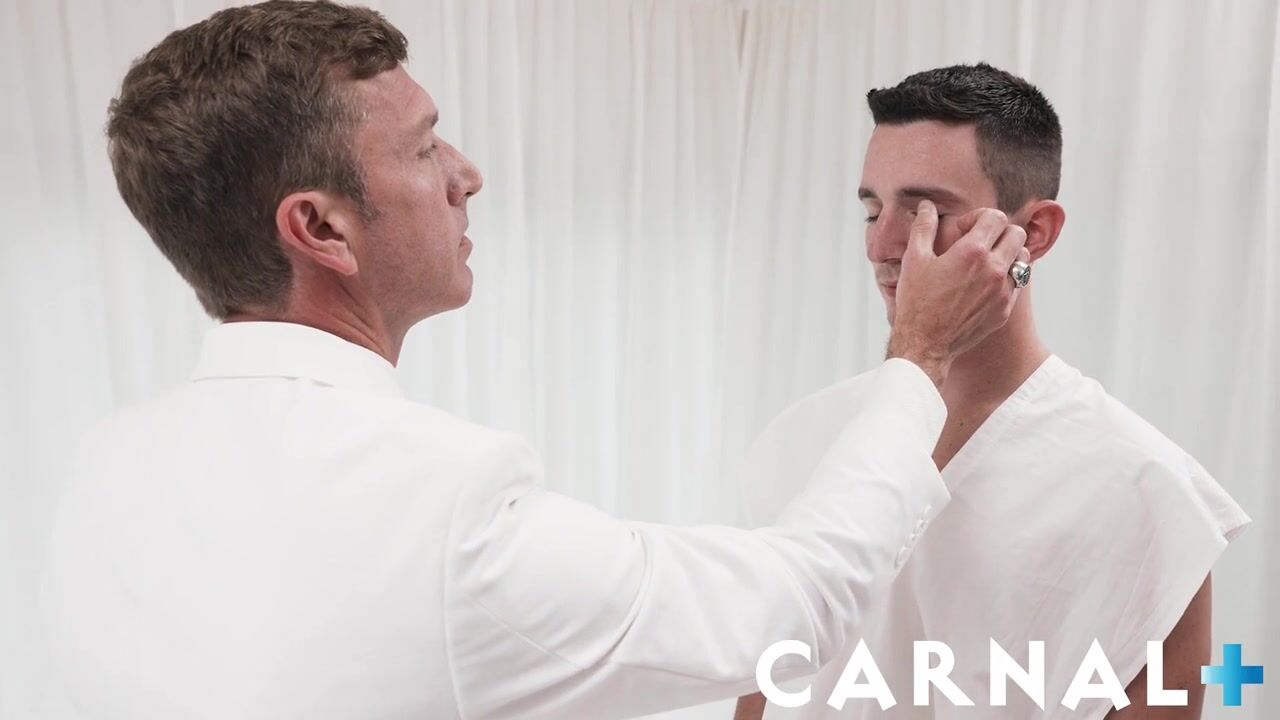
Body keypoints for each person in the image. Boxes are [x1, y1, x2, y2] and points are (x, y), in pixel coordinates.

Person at [39, 5, 1032, 720]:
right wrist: (920, 355)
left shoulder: (101, 468)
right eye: (424, 149)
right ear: (322, 228)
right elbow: (789, 611)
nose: (467, 175)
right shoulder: (440, 508)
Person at [733, 64, 1249, 720]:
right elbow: (764, 686)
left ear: (1035, 233)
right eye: (872, 210)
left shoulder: (1149, 492)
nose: (882, 244)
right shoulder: (798, 441)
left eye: (927, 212)